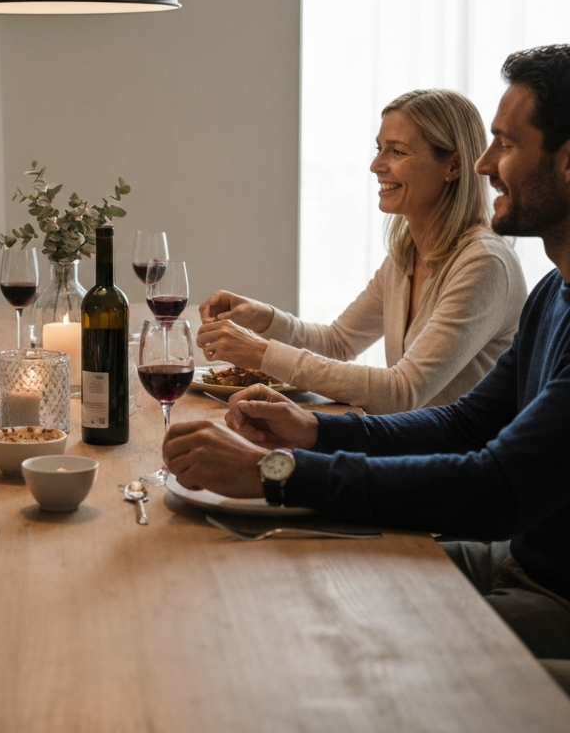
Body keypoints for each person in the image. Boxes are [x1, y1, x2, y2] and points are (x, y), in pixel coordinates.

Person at [165, 44, 570, 659]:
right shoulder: (552, 294)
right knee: (287, 575)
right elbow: (463, 424)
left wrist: (275, 473)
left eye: (507, 144)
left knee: (340, 638)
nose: (486, 163)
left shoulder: (487, 263)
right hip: (513, 560)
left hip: (555, 597)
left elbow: (494, 489)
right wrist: (311, 431)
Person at [196, 88, 527, 413]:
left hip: (462, 450)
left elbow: (403, 391)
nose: (376, 165)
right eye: (380, 149)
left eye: (396, 152)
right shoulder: (405, 256)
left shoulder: (484, 263)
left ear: (453, 166)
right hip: (410, 442)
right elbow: (338, 343)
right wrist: (263, 317)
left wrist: (261, 353)